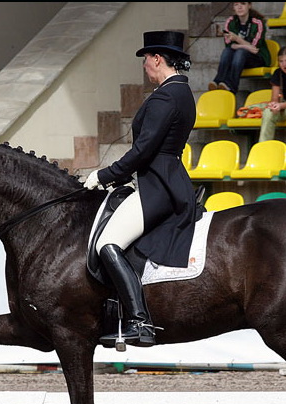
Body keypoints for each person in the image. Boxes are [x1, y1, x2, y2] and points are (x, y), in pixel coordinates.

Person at [80, 31, 200, 348]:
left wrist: (105, 175)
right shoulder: (182, 92)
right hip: (163, 177)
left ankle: (139, 321)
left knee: (107, 244)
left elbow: (143, 151)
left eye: (146, 59)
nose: (145, 66)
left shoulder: (165, 97)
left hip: (159, 185)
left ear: (157, 59)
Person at [208, 2, 270, 94]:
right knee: (227, 52)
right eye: (236, 4)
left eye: (243, 4)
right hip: (239, 58)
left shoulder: (257, 22)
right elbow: (229, 45)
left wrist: (237, 39)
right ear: (233, 7)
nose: (239, 7)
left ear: (249, 5)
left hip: (257, 58)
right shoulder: (230, 21)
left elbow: (255, 48)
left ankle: (231, 86)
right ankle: (217, 81)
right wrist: (245, 46)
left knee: (240, 52)